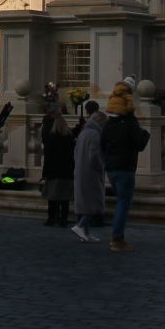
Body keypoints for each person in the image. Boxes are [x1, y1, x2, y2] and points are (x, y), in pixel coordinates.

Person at [99, 80, 149, 253]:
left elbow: (102, 144)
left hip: (111, 168)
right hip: (125, 168)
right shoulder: (130, 123)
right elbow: (139, 144)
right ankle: (117, 238)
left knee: (121, 201)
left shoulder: (108, 124)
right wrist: (145, 134)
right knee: (123, 203)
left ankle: (117, 236)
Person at [70, 100, 105, 243]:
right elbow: (94, 156)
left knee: (85, 202)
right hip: (90, 172)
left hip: (80, 169)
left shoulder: (84, 132)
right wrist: (100, 167)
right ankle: (80, 226)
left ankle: (86, 233)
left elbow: (75, 151)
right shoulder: (95, 134)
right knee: (93, 202)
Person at [39, 102, 75, 227]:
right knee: (64, 198)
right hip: (66, 170)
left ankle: (51, 218)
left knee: (52, 196)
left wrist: (45, 172)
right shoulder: (69, 136)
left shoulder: (51, 137)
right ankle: (63, 219)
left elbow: (48, 155)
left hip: (53, 170)